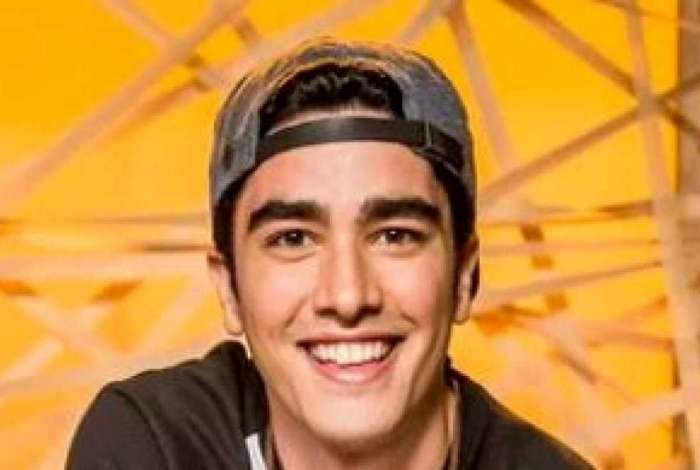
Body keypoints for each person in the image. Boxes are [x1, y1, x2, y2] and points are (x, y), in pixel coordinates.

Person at [67, 37, 593, 469]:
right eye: (293, 239)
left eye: (395, 235)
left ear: (464, 276)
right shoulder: (154, 444)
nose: (347, 296)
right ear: (228, 289)